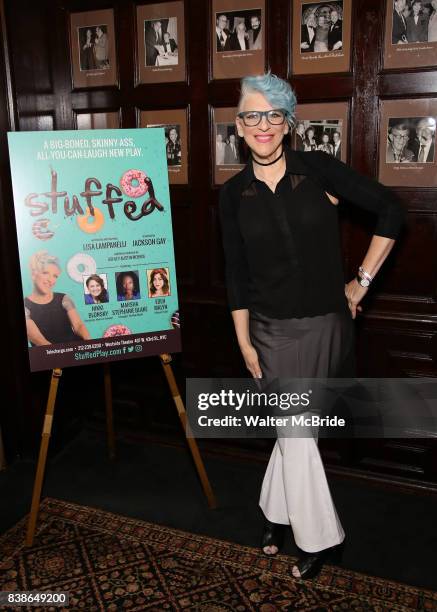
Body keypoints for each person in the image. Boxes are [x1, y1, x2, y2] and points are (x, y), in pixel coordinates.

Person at [218, 72, 405, 580]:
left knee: (294, 433)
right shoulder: (232, 195)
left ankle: (299, 527)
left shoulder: (318, 171)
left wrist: (361, 282)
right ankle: (300, 527)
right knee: (294, 432)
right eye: (252, 115)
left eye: (274, 115)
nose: (263, 124)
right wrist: (242, 341)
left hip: (325, 324)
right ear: (238, 126)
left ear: (287, 124)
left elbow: (391, 209)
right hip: (268, 331)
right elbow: (235, 273)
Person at [25, 251, 90, 345]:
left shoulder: (64, 299)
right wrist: (60, 355)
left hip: (76, 350)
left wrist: (90, 344)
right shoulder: (25, 306)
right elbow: (37, 338)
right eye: (45, 273)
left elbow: (78, 325)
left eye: (55, 276)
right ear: (34, 274)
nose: (50, 280)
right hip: (50, 356)